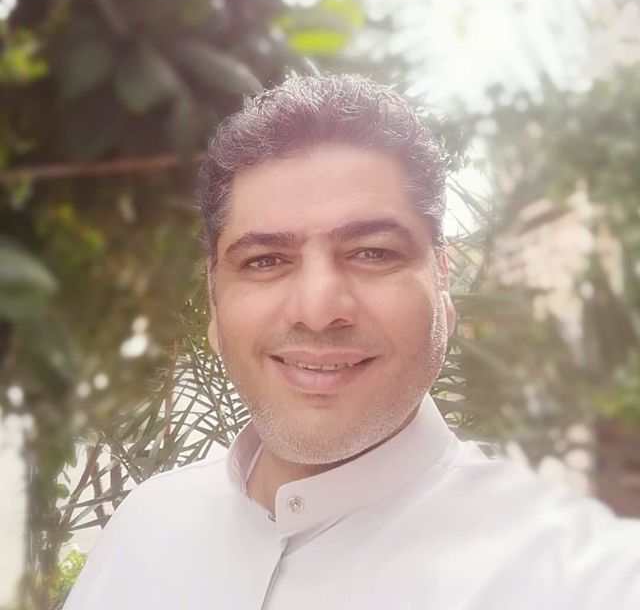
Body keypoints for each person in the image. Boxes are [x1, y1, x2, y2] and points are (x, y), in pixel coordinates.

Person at [64, 74, 640, 610]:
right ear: (215, 302)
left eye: (373, 253)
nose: (318, 311)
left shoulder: (578, 580)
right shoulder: (145, 527)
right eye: (265, 260)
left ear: (442, 281)